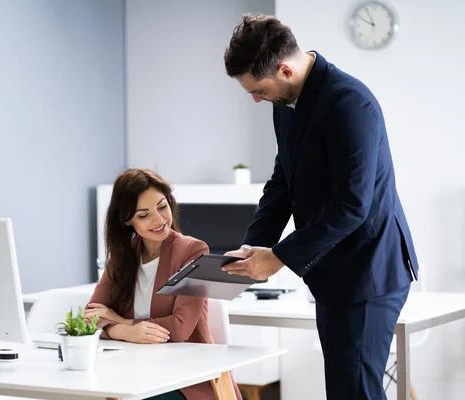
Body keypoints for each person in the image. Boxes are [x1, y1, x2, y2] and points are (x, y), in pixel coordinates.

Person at [221, 14, 419, 400]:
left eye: (258, 90)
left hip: (369, 273)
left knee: (354, 393)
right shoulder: (287, 102)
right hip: (335, 275)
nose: (258, 100)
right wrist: (252, 246)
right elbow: (284, 180)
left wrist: (277, 257)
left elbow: (351, 205)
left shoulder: (350, 103)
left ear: (284, 68)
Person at [83, 167, 242, 400]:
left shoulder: (192, 250)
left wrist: (120, 323)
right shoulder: (122, 256)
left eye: (162, 206)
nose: (158, 220)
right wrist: (127, 331)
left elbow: (179, 328)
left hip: (184, 377)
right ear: (127, 221)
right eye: (143, 215)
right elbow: (90, 315)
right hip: (131, 371)